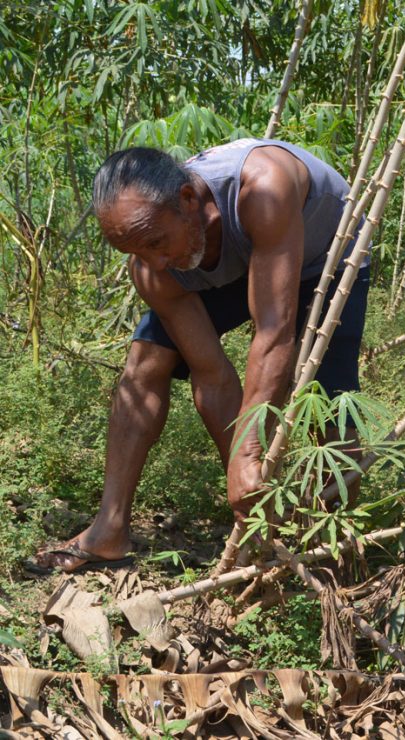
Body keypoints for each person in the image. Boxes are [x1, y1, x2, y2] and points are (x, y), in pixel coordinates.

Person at [30, 138, 369, 574]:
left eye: (156, 242)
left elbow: (273, 333)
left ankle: (332, 545)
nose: (154, 262)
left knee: (332, 400)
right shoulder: (155, 266)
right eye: (135, 252)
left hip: (327, 256)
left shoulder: (264, 188)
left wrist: (247, 455)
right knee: (147, 361)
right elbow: (212, 375)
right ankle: (109, 529)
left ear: (188, 200)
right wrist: (246, 479)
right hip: (238, 256)